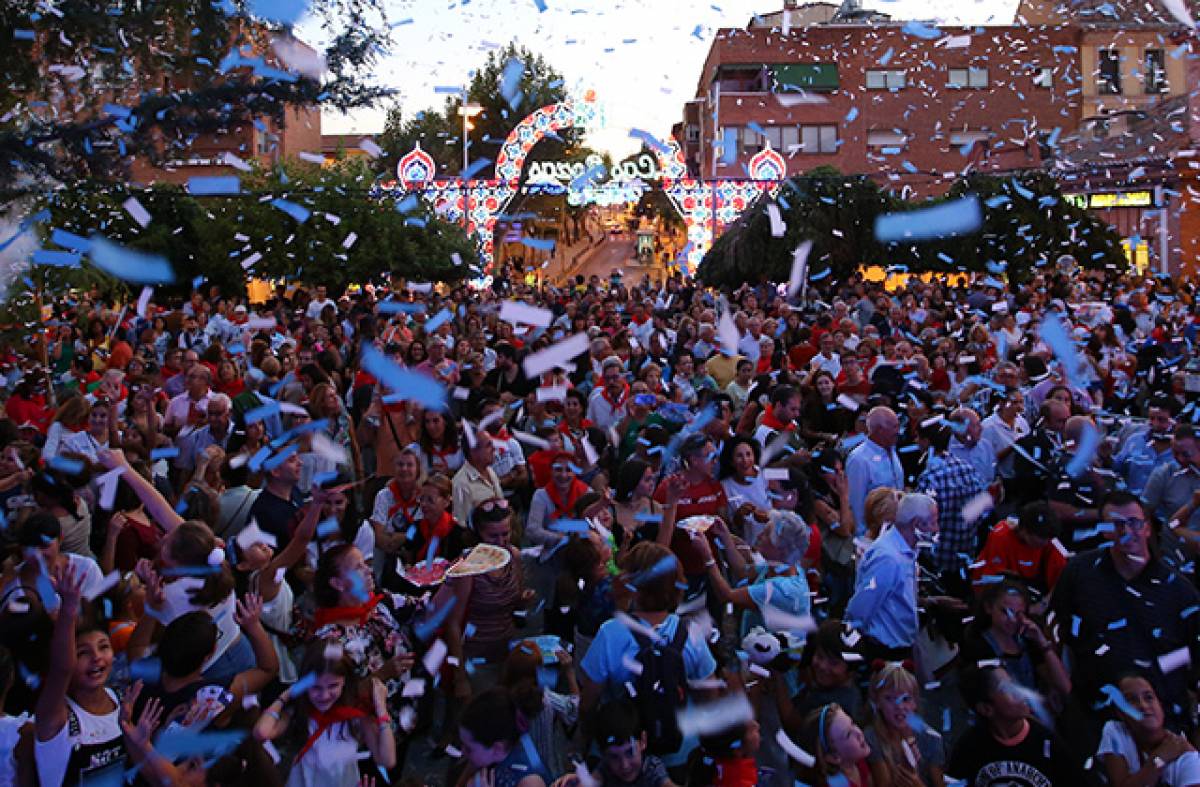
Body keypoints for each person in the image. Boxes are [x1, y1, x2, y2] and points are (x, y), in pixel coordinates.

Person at [1052, 491, 1200, 751]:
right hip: (1094, 714)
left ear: (1146, 528)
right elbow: (1056, 631)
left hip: (1162, 720)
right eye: (1116, 524)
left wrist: (1160, 665)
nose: (1126, 531)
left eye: (1133, 523)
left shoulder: (1178, 589)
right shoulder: (1079, 574)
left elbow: (1193, 652)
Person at [579, 542, 716, 767]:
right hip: (680, 750)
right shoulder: (691, 633)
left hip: (623, 756)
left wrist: (586, 739)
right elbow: (709, 695)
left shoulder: (611, 633)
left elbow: (588, 703)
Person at [254, 642, 396, 787]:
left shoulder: (355, 716)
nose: (324, 695)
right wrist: (286, 696)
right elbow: (261, 732)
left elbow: (387, 760)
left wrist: (381, 709)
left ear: (344, 682)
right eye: (316, 687)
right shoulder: (300, 711)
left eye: (333, 686)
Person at [947, 666, 1081, 786]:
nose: (1019, 692)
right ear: (986, 709)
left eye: (1013, 683)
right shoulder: (970, 746)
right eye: (1006, 688)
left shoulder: (1048, 744)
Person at [845, 493, 937, 662]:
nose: (936, 529)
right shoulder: (888, 558)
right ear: (916, 524)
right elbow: (861, 608)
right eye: (933, 522)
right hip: (884, 652)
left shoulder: (903, 551)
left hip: (898, 648)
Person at [1097, 674, 1200, 787]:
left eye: (1149, 697)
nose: (1143, 705)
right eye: (1132, 700)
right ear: (1121, 713)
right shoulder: (1115, 731)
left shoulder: (1187, 758)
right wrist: (1160, 757)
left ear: (1160, 705)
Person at [863, 662, 946, 787]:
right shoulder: (871, 737)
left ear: (915, 702)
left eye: (906, 699)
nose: (899, 706)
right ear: (877, 702)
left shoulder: (931, 737)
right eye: (889, 698)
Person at [457, 686, 551, 787]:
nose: (462, 751)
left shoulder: (530, 782)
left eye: (468, 748)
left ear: (497, 748)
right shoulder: (481, 755)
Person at [971, 502, 1067, 596]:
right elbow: (992, 585)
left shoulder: (1050, 541)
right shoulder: (1001, 537)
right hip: (995, 588)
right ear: (1023, 530)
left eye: (1048, 537)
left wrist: (1043, 604)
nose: (1045, 542)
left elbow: (1061, 581)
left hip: (1028, 586)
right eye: (1041, 536)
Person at [846, 406, 903, 535]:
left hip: (897, 531)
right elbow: (856, 505)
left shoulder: (892, 450)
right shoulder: (859, 459)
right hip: (873, 536)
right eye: (894, 427)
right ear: (879, 430)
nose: (898, 431)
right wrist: (864, 540)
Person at [791, 703, 873, 787]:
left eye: (852, 723)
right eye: (848, 734)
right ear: (834, 757)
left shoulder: (858, 760)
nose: (859, 732)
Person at [452, 432, 504, 526]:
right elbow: (461, 525)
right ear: (473, 452)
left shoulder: (490, 470)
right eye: (488, 445)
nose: (494, 448)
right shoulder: (460, 484)